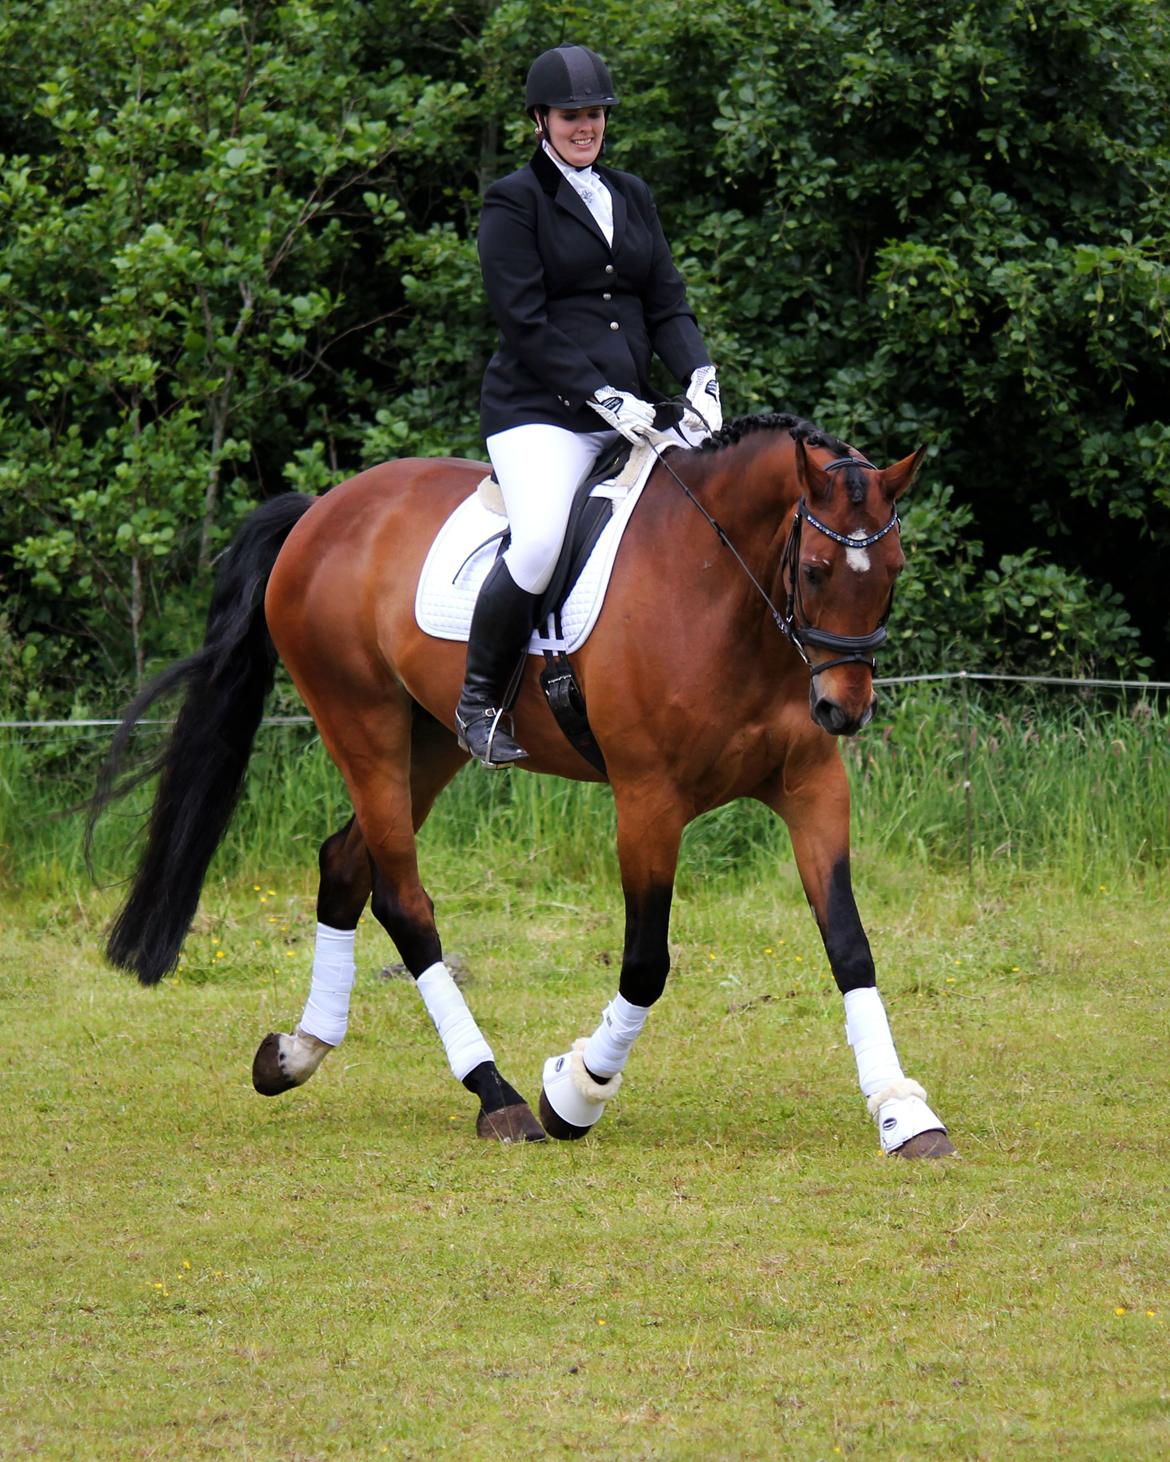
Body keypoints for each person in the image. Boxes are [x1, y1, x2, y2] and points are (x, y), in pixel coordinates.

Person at [455, 42, 723, 768]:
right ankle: (480, 701)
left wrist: (700, 375)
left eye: (597, 114)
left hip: (636, 409)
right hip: (542, 412)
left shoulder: (631, 193)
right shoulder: (515, 200)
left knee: (715, 515)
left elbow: (665, 299)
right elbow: (523, 319)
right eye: (573, 115)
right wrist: (600, 395)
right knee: (540, 539)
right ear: (541, 120)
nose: (587, 127)